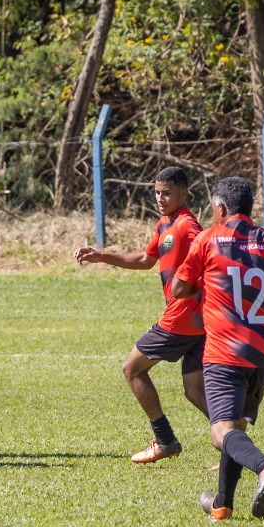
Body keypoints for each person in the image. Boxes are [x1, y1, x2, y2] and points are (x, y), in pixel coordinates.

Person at [170, 176, 264, 521]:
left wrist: (203, 281)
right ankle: (222, 503)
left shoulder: (209, 239)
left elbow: (180, 288)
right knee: (235, 426)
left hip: (225, 351)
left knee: (221, 432)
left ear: (220, 208)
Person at [74, 166, 207, 462]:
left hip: (182, 318)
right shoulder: (164, 224)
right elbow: (146, 259)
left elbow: (209, 253)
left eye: (167, 193)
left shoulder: (187, 226)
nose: (160, 198)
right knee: (194, 390)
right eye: (157, 192)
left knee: (132, 369)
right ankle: (235, 445)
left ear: (184, 194)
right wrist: (103, 256)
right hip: (199, 321)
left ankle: (165, 440)